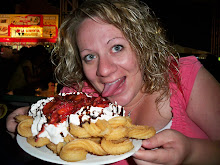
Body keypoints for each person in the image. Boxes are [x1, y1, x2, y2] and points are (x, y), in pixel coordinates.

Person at [6, 0, 220, 164]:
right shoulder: (77, 95)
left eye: (117, 47)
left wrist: (191, 153)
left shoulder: (184, 75)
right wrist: (34, 118)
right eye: (90, 56)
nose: (104, 70)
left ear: (142, 46)